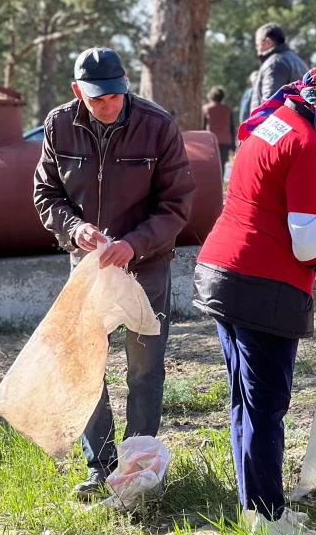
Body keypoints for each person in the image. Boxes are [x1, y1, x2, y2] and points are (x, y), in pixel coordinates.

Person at [193, 65, 316, 535]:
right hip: (260, 285)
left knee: (244, 403)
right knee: (267, 407)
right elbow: (308, 242)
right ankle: (270, 520)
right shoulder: (309, 144)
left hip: (221, 273)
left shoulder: (271, 124)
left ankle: (254, 511)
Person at [34, 47, 195, 500]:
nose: (107, 106)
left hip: (147, 266)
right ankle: (100, 467)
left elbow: (177, 205)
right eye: (96, 99)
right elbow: (46, 193)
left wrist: (134, 244)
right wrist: (74, 227)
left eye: (115, 95)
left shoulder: (158, 126)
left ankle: (139, 466)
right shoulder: (58, 125)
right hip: (87, 267)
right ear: (76, 91)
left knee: (145, 370)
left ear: (126, 82)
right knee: (86, 367)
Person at [253, 23, 309, 105]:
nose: (257, 49)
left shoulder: (274, 64)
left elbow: (269, 105)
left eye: (257, 45)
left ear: (268, 42)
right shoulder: (298, 60)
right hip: (299, 117)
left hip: (282, 117)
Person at [202, 85, 235, 174]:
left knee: (210, 164)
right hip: (224, 141)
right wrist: (233, 146)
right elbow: (231, 127)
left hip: (210, 140)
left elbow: (203, 126)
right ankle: (219, 185)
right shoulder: (227, 109)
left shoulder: (206, 109)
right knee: (222, 164)